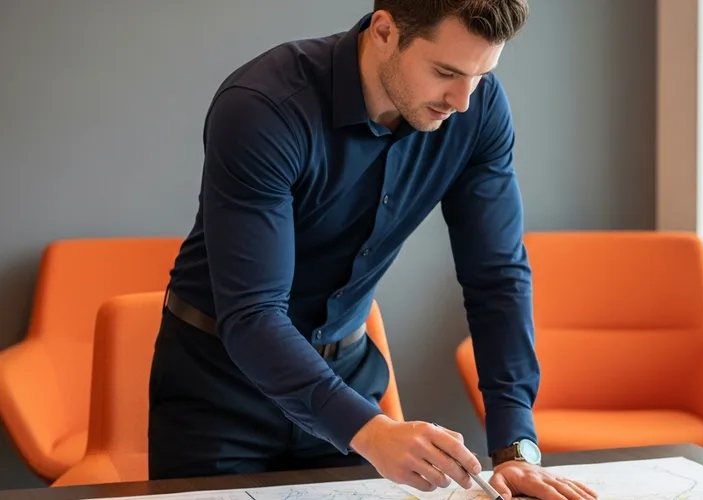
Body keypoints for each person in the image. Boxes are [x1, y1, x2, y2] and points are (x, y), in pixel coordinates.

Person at [148, 2, 597, 499]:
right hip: (221, 387)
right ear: (384, 31)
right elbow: (253, 313)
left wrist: (515, 447)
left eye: (481, 74)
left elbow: (497, 277)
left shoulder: (478, 109)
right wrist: (369, 430)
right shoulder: (262, 108)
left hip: (350, 372)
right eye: (445, 71)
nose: (463, 101)